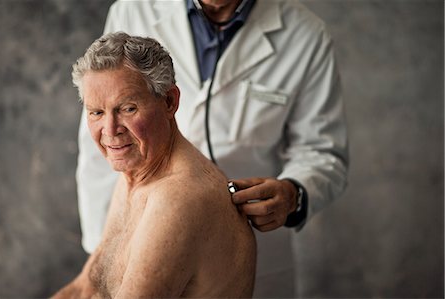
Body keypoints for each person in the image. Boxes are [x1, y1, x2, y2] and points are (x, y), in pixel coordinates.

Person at [77, 0, 348, 296]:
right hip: (144, 235)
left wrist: (293, 193)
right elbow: (102, 140)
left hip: (248, 247)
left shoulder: (305, 34)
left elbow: (322, 149)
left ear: (171, 101)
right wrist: (106, 261)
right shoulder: (134, 10)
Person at [53, 32, 256, 298]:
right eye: (97, 113)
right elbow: (86, 287)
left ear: (170, 101)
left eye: (128, 108)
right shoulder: (134, 173)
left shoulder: (178, 200)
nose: (110, 130)